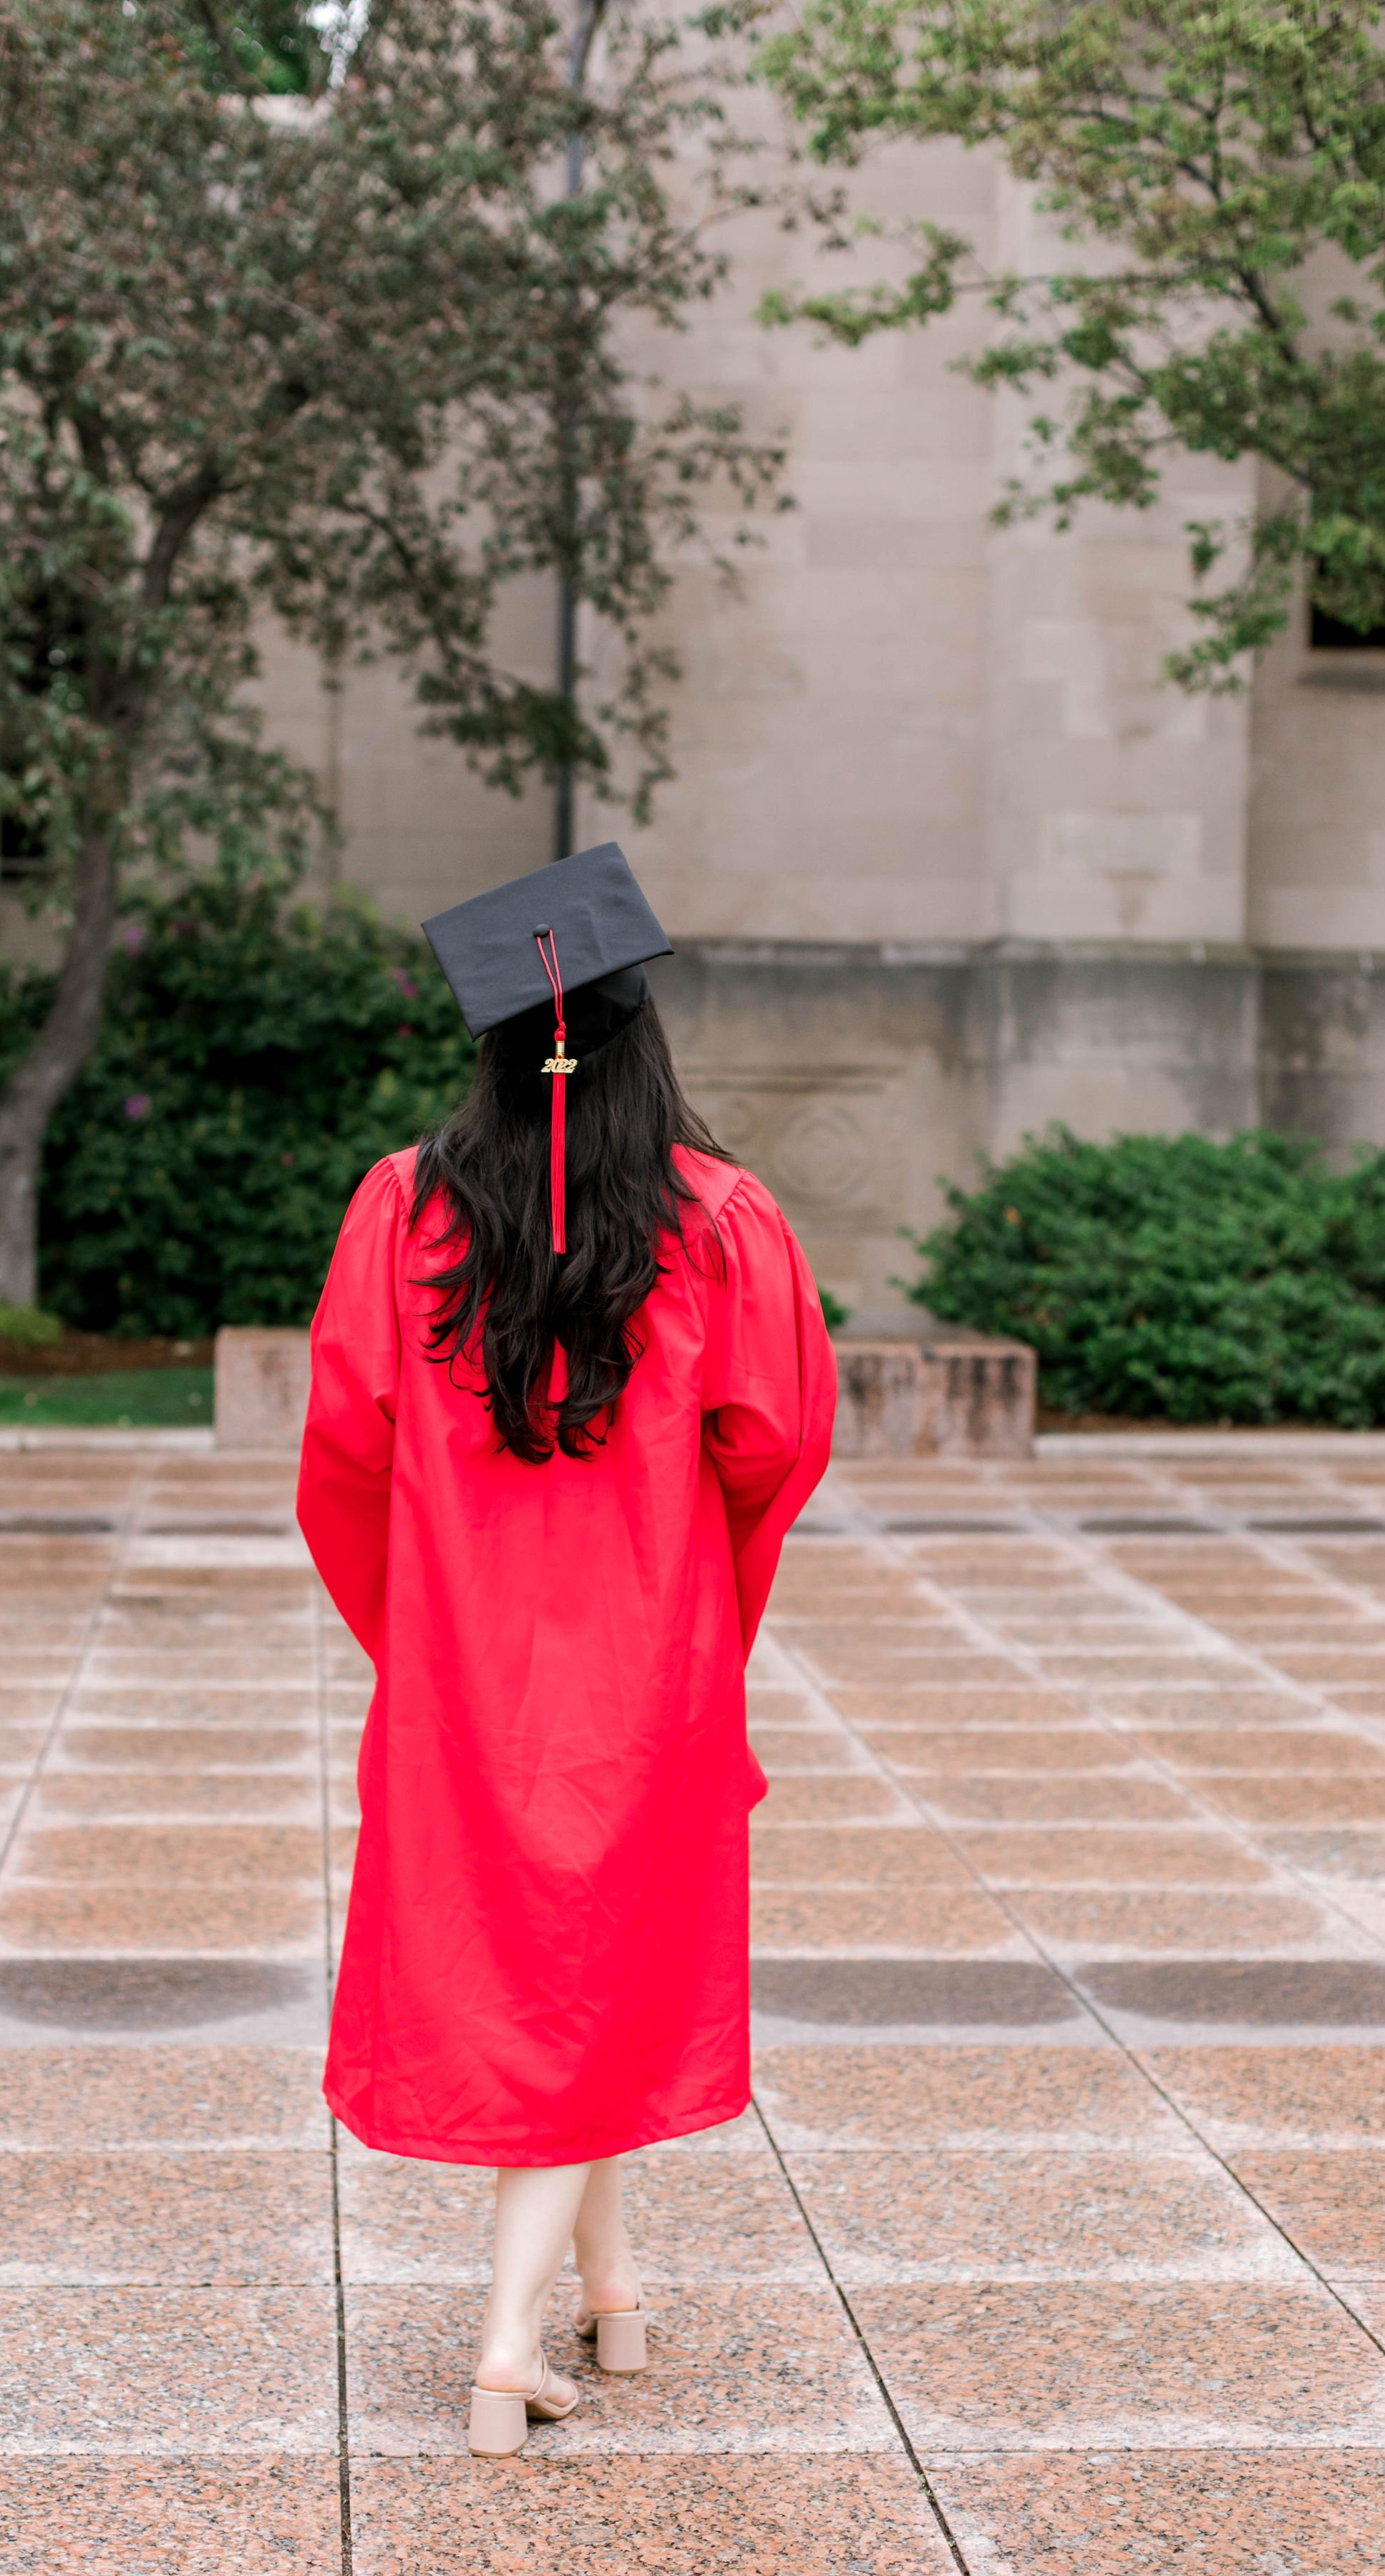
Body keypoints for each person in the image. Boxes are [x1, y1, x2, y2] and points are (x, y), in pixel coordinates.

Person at [296, 842, 837, 2457]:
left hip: (465, 1674)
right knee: (598, 1982)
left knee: (573, 1981)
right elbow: (776, 1445)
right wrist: (702, 1599)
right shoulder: (721, 1222)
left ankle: (616, 2293)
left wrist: (417, 1631)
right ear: (641, 1034)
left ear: (495, 1042)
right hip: (647, 1671)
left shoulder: (403, 1208)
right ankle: (507, 2342)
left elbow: (340, 1455)